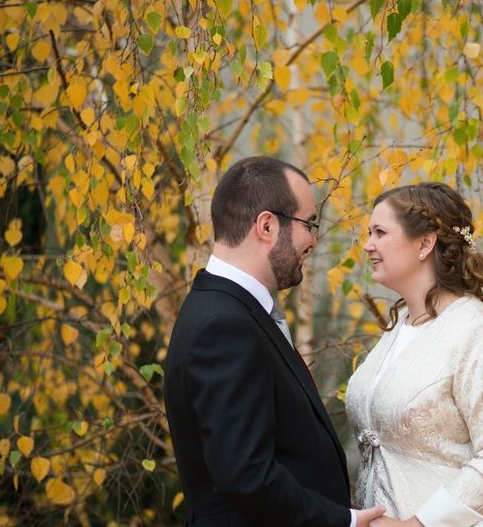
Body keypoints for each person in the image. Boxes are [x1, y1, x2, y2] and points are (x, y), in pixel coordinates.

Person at [164, 156, 384, 526]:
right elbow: (246, 476)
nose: (313, 240)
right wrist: (341, 521)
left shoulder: (223, 308)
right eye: (308, 224)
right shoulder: (223, 327)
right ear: (266, 225)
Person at [346, 182, 483, 527]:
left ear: (425, 243)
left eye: (380, 233)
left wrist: (419, 524)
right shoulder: (399, 327)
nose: (368, 246)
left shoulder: (477, 333)